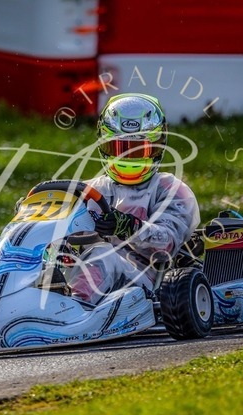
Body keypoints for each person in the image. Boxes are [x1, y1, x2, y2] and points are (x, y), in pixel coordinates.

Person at [67, 93, 201, 304]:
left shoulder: (170, 189)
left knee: (102, 254)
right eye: (119, 149)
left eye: (139, 150)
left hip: (147, 282)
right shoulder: (89, 189)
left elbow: (166, 243)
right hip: (87, 273)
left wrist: (128, 226)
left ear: (156, 147)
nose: (128, 158)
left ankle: (74, 308)